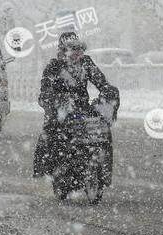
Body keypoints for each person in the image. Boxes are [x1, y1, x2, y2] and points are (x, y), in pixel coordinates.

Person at [33, 32, 119, 186]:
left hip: (83, 109)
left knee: (104, 132)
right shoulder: (54, 66)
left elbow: (101, 82)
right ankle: (52, 169)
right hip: (61, 111)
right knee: (50, 135)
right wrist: (53, 101)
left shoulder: (86, 63)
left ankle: (104, 172)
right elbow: (45, 92)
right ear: (62, 51)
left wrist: (108, 93)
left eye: (79, 49)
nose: (77, 53)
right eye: (72, 49)